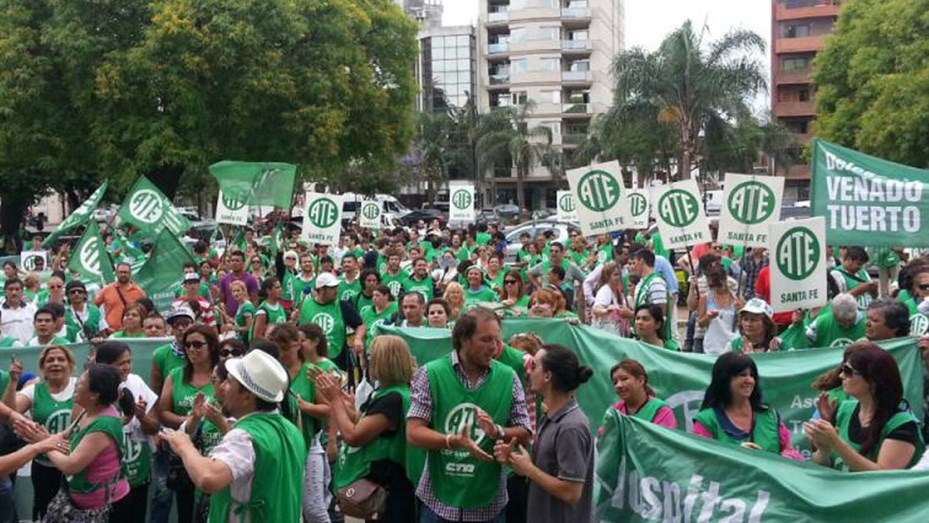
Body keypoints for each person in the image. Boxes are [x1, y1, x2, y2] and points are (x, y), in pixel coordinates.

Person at [407, 307, 532, 523]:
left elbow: (525, 433)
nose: (494, 347)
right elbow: (414, 433)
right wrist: (452, 441)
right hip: (439, 503)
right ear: (464, 339)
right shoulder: (431, 374)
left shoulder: (508, 377)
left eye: (496, 340)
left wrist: (497, 431)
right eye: (486, 340)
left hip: (488, 503)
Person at [160, 350, 307, 523]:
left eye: (229, 382)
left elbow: (208, 478)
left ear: (247, 396)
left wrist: (184, 445)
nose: (221, 388)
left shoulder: (245, 436)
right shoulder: (289, 429)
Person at [313, 335, 418, 523]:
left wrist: (335, 399)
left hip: (391, 489)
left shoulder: (392, 398)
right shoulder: (388, 392)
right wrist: (345, 404)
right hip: (387, 486)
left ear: (384, 362)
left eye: (370, 357)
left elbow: (353, 436)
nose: (365, 361)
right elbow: (363, 424)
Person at [494, 344, 594, 523]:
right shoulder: (550, 417)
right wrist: (516, 462)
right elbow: (546, 472)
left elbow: (571, 492)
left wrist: (529, 469)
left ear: (548, 376)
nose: (528, 373)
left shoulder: (571, 427)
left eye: (534, 367)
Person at [16, 364, 131, 518]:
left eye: (80, 383)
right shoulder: (88, 411)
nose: (75, 386)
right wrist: (42, 437)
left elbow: (70, 466)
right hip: (79, 501)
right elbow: (65, 434)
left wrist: (44, 445)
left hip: (103, 508)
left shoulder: (103, 425)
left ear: (94, 394)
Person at [805, 342, 925, 471]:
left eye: (848, 371)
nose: (841, 376)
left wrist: (836, 443)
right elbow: (824, 467)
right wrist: (824, 449)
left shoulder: (902, 425)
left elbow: (884, 477)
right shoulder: (842, 411)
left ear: (873, 381)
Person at [1, 345, 76, 520]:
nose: (55, 363)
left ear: (70, 364)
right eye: (50, 360)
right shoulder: (34, 390)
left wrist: (46, 439)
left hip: (75, 465)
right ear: (42, 367)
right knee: (46, 510)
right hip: (44, 467)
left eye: (60, 359)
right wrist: (13, 382)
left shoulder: (80, 387)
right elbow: (10, 413)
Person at [156, 326, 220, 523]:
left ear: (211, 347)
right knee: (185, 506)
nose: (192, 349)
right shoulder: (176, 374)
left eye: (198, 344)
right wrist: (193, 419)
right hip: (183, 452)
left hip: (215, 451)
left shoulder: (221, 375)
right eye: (188, 345)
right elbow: (163, 412)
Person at [269, 324, 331, 523]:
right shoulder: (272, 373)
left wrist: (306, 407)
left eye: (285, 348)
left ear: (297, 345)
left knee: (314, 510)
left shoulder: (310, 372)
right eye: (277, 349)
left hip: (308, 446)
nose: (282, 354)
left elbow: (329, 408)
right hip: (280, 450)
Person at [93, 342, 159, 523]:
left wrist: (142, 417)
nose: (126, 367)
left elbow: (153, 428)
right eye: (120, 363)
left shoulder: (136, 381)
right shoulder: (91, 388)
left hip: (137, 471)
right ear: (103, 366)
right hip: (105, 478)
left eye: (128, 361)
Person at [692, 352, 801, 459]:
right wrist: (736, 455)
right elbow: (700, 462)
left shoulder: (769, 415)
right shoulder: (707, 420)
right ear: (724, 379)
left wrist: (772, 459)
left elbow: (791, 452)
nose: (749, 380)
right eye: (742, 375)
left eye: (752, 375)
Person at [297, 272, 366, 372]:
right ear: (321, 290)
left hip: (338, 360)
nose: (336, 291)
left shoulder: (343, 306)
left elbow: (360, 325)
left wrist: (358, 338)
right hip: (311, 361)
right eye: (332, 288)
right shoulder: (305, 305)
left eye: (336, 287)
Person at [601, 359, 677, 432]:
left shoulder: (660, 411)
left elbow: (661, 442)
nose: (618, 385)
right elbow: (605, 440)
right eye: (615, 382)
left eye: (624, 379)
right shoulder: (614, 412)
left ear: (641, 380)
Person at [696, 259, 741, 355]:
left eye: (719, 286)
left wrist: (741, 310)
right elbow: (700, 323)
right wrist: (708, 317)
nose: (716, 289)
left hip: (733, 343)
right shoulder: (705, 298)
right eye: (713, 287)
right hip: (713, 346)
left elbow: (743, 322)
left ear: (725, 280)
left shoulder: (736, 298)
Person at [630, 249, 670, 339]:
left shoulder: (656, 282)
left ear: (642, 261)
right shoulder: (641, 283)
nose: (631, 267)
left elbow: (660, 312)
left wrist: (630, 314)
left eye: (634, 263)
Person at [95, 262, 146, 331]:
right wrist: (103, 326)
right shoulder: (107, 289)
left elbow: (145, 312)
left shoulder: (139, 292)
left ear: (130, 274)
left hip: (132, 333)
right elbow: (94, 308)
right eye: (120, 272)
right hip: (111, 333)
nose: (123, 275)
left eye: (125, 272)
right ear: (116, 273)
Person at [591, 262, 632, 337]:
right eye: (616, 274)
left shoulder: (616, 291)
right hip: (605, 334)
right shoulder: (605, 291)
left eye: (620, 274)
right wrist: (606, 311)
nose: (619, 277)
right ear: (608, 277)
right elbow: (596, 309)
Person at [219, 251, 260, 318]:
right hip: (229, 319)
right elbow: (222, 301)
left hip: (245, 320)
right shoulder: (224, 280)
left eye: (237, 261)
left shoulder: (251, 280)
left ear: (243, 263)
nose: (234, 263)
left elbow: (255, 301)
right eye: (232, 261)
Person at [1, 278, 37, 343]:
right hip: (6, 351)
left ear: (22, 292)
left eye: (17, 289)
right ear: (5, 292)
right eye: (10, 289)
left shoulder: (32, 309)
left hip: (28, 350)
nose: (14, 292)